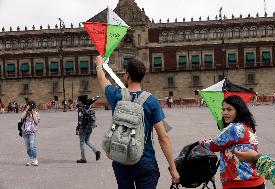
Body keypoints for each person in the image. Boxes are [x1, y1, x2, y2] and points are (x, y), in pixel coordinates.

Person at [95, 55, 180, 189]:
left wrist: (99, 63)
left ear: (127, 75)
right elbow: (163, 137)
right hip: (145, 162)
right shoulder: (151, 101)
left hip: (121, 160)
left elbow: (102, 78)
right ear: (142, 76)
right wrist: (173, 169)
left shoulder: (116, 95)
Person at [199, 95, 265, 189]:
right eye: (223, 109)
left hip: (239, 183)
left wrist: (201, 142)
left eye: (229, 109)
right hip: (256, 180)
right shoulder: (248, 125)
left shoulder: (234, 128)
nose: (225, 113)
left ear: (238, 110)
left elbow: (214, 145)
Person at [76, 95, 101, 163]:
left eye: (78, 101)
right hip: (90, 127)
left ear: (81, 101)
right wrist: (89, 100)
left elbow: (80, 120)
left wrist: (77, 129)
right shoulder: (89, 107)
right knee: (87, 141)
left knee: (82, 142)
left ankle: (83, 158)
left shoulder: (81, 109)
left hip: (83, 127)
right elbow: (97, 96)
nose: (78, 102)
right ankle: (96, 151)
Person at [21, 101, 40, 166]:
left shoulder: (36, 113)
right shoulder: (25, 113)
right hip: (25, 132)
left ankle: (35, 159)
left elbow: (36, 121)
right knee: (28, 148)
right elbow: (21, 117)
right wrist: (26, 110)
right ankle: (31, 159)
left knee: (32, 147)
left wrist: (33, 113)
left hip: (32, 132)